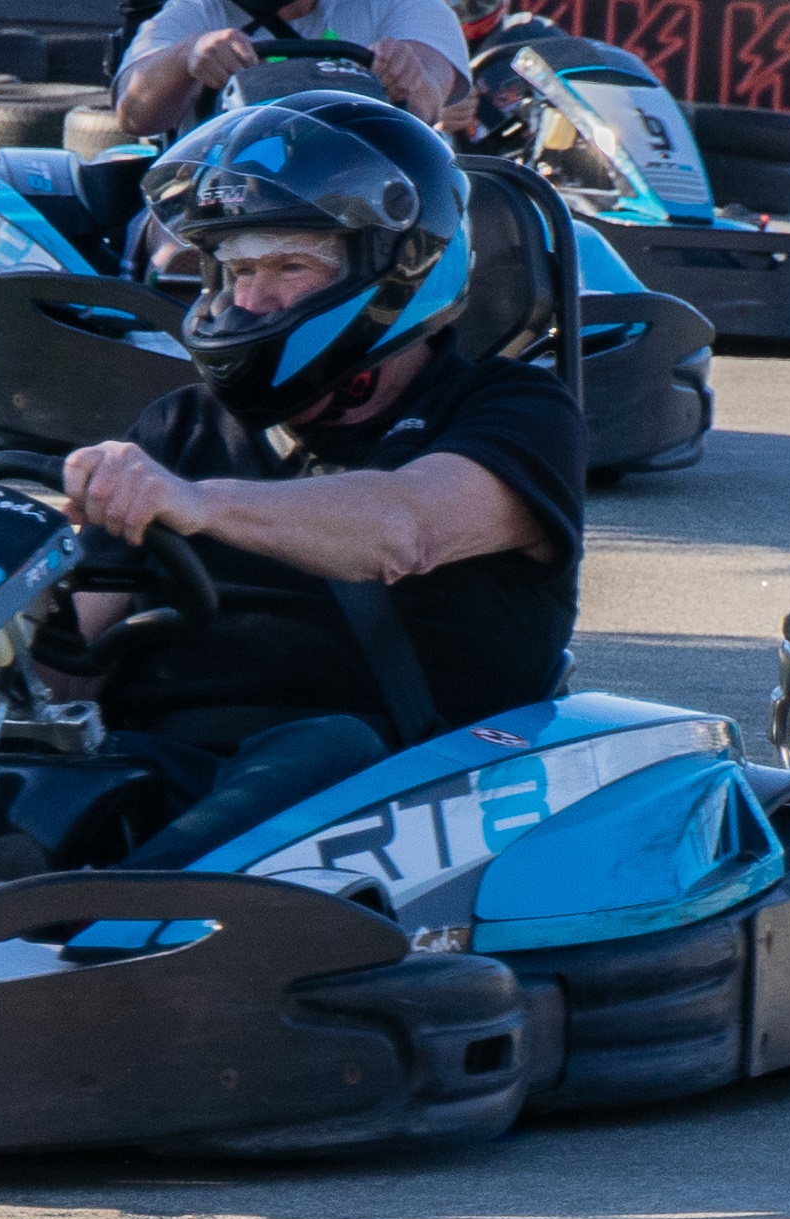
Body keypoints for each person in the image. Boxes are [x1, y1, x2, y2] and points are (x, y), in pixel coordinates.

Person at [54, 91, 586, 871]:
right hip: (155, 765)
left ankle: (119, 919)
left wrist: (196, 504)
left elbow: (405, 527)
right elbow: (72, 651)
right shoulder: (180, 428)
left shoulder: (513, 409)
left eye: (288, 266)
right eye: (238, 268)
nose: (251, 298)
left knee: (323, 745)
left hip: (391, 794)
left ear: (398, 266)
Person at [113, 0, 473, 135]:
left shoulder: (402, 6)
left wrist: (404, 74)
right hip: (219, 193)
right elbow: (134, 116)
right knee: (174, 252)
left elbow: (427, 96)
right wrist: (187, 56)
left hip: (366, 189)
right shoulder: (196, 11)